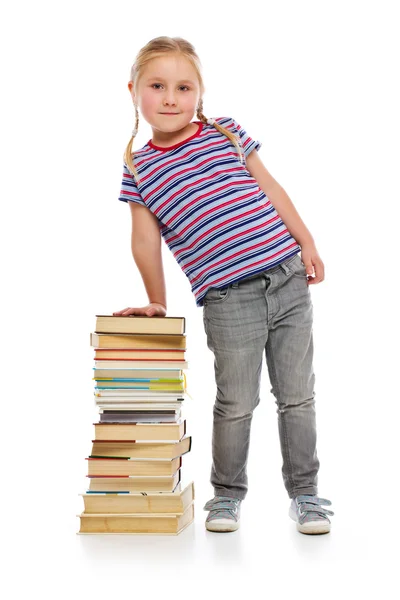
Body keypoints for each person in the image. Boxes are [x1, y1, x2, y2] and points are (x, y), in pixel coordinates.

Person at [113, 36, 334, 535]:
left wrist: (308, 244)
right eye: (157, 85)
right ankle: (227, 495)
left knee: (297, 394)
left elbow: (271, 188)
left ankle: (307, 493)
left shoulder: (225, 133)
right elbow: (145, 241)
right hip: (228, 298)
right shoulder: (139, 168)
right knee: (236, 401)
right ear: (134, 91)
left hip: (286, 277)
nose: (171, 97)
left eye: (183, 87)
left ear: (199, 93)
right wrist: (157, 300)